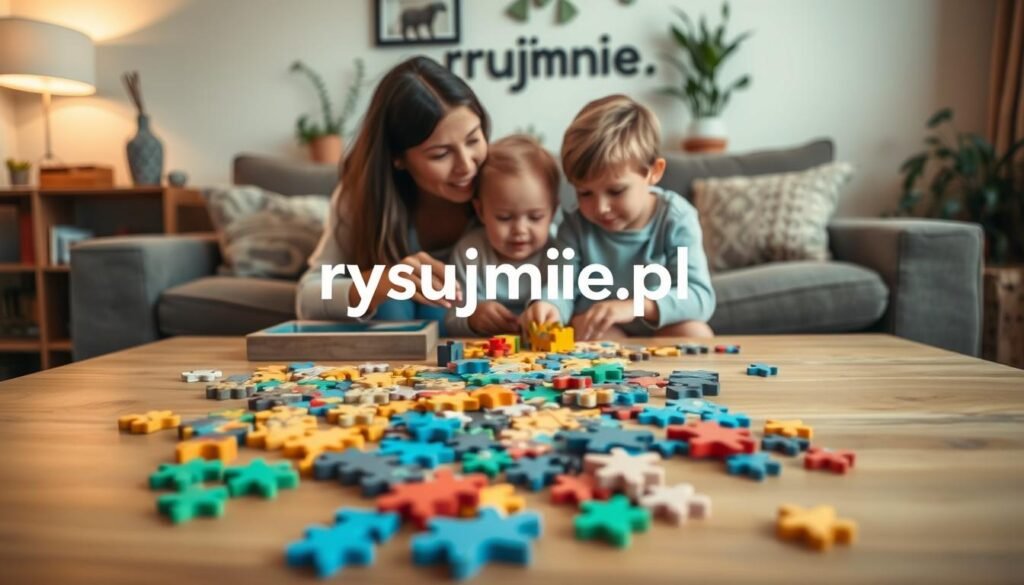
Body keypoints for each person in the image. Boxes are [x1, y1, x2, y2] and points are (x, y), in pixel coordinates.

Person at [296, 56, 489, 332]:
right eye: (441, 154)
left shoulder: (502, 183)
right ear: (397, 158)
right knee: (393, 303)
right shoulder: (359, 197)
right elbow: (308, 297)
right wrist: (381, 282)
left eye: (473, 139)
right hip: (401, 360)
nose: (467, 165)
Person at [521, 94, 716, 340]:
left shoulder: (676, 218)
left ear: (653, 172)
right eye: (584, 193)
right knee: (586, 333)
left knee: (696, 333)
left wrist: (635, 306)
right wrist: (548, 305)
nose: (600, 207)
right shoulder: (575, 223)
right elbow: (561, 285)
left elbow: (699, 296)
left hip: (658, 322)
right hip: (602, 329)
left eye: (616, 191)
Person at [444, 135, 559, 336]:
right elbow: (452, 319)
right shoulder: (470, 252)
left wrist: (550, 307)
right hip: (489, 357)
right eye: (504, 218)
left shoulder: (559, 247)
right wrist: (473, 317)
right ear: (481, 211)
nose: (520, 230)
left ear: (553, 212)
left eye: (535, 217)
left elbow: (568, 297)